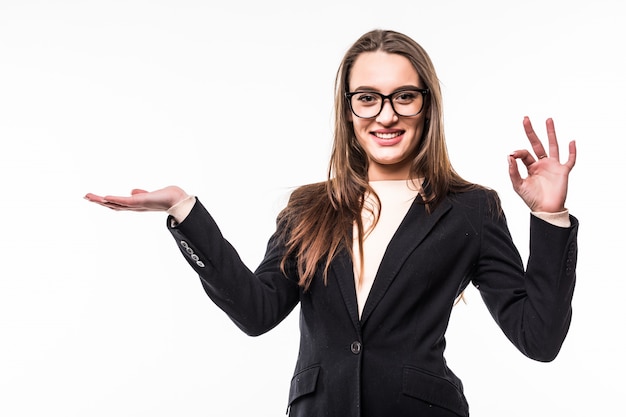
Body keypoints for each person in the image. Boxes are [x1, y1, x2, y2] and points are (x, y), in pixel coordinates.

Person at [84, 29, 578, 417]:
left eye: (404, 95)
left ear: (427, 106)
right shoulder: (309, 208)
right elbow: (257, 312)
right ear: (348, 109)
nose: (386, 114)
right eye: (367, 97)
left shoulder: (470, 208)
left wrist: (549, 216)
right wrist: (184, 211)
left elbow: (539, 339)